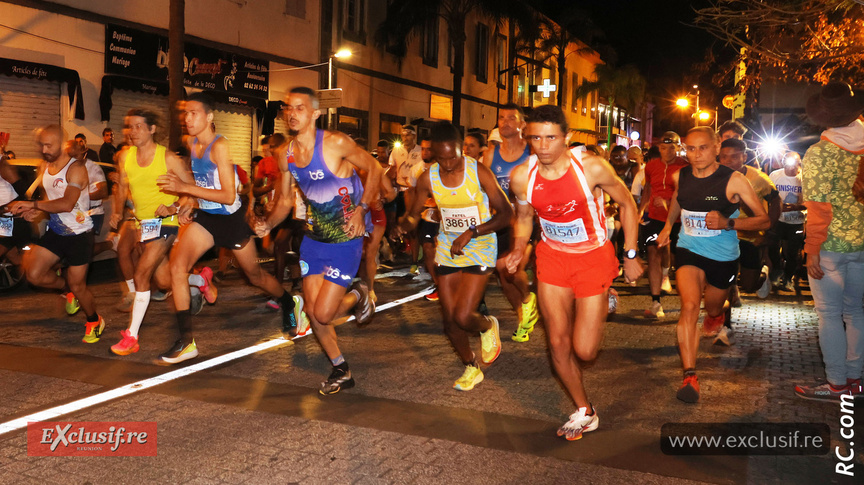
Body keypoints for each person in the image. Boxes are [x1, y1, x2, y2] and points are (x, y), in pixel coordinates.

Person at [507, 105, 644, 440]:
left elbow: (627, 204)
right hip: (552, 257)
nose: (542, 145)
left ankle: (604, 295)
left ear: (566, 138)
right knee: (557, 341)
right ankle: (585, 409)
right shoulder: (522, 177)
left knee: (585, 351)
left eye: (551, 137)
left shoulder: (592, 168)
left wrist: (629, 254)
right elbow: (524, 217)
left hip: (593, 258)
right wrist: (517, 248)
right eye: (535, 138)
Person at [154, 92, 305, 364]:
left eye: (193, 113)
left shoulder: (219, 145)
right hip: (207, 219)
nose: (187, 118)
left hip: (231, 219)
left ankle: (287, 302)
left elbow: (227, 195)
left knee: (255, 276)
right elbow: (199, 185)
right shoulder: (191, 143)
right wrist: (183, 204)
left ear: (209, 117)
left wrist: (185, 190)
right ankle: (186, 341)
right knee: (177, 266)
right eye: (185, 113)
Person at [257, 87, 382, 395]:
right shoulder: (285, 154)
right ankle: (341, 368)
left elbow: (375, 168)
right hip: (314, 240)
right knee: (313, 312)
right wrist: (267, 225)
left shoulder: (335, 143)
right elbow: (285, 200)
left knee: (326, 313)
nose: (292, 113)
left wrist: (361, 209)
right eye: (288, 108)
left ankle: (360, 293)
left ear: (315, 113)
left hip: (345, 239)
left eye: (299, 108)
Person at [657, 126, 769, 403]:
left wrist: (728, 222)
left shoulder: (733, 181)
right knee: (689, 306)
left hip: (722, 255)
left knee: (713, 305)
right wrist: (668, 227)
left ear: (716, 146)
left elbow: (764, 220)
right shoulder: (680, 175)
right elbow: (677, 201)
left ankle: (717, 315)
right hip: (689, 249)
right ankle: (690, 375)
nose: (696, 155)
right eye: (690, 149)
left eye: (703, 147)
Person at [399, 121, 512, 391]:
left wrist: (472, 231)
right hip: (449, 248)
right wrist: (403, 224)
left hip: (481, 245)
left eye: (453, 156)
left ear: (462, 149)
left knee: (463, 316)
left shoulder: (478, 172)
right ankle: (471, 367)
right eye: (442, 158)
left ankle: (487, 326)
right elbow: (414, 213)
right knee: (450, 322)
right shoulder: (429, 177)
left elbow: (506, 214)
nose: (448, 164)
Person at [794, 82, 864, 401]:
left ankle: (836, 384)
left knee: (829, 314)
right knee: (857, 313)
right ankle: (856, 381)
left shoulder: (821, 152)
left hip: (832, 246)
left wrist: (812, 250)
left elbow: (819, 209)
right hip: (862, 244)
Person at [108, 109, 197, 355]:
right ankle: (200, 279)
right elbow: (123, 187)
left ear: (152, 129)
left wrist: (174, 206)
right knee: (165, 280)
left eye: (138, 126)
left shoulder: (168, 159)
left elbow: (191, 189)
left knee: (141, 274)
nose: (132, 132)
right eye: (129, 127)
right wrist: (118, 211)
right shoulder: (125, 156)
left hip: (167, 221)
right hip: (143, 224)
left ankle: (132, 336)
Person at [9, 125, 105, 342]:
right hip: (57, 231)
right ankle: (67, 289)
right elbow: (50, 199)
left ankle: (94, 320)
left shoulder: (76, 169)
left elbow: (67, 203)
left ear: (62, 144)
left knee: (80, 286)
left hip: (80, 234)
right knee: (34, 275)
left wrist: (34, 204)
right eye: (42, 144)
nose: (44, 149)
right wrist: (34, 210)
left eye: (49, 145)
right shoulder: (46, 166)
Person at [481, 104, 539, 343]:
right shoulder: (490, 154)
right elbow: (483, 190)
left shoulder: (532, 152)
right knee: (503, 275)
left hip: (528, 220)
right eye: (501, 118)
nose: (505, 122)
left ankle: (528, 299)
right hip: (502, 221)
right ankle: (523, 318)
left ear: (522, 124)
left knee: (510, 268)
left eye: (511, 118)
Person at [718, 138, 780, 306]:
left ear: (744, 157)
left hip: (751, 236)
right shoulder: (715, 176)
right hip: (724, 235)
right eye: (724, 157)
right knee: (723, 280)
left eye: (734, 157)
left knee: (749, 285)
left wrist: (770, 229)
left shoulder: (759, 178)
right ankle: (724, 322)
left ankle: (763, 276)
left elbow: (775, 201)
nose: (728, 161)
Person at [638, 132, 688, 317]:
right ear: (659, 148)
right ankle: (655, 302)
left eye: (672, 147)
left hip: (679, 220)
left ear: (678, 147)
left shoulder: (686, 167)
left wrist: (667, 203)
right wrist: (641, 209)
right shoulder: (650, 166)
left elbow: (687, 195)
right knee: (652, 252)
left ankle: (685, 299)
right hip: (655, 217)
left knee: (680, 260)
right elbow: (648, 188)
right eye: (663, 147)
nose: (667, 151)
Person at [406, 138, 439, 299]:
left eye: (429, 149)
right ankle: (438, 283)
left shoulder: (441, 168)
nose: (425, 152)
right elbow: (411, 191)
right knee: (427, 248)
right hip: (426, 216)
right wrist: (410, 213)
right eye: (423, 149)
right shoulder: (416, 170)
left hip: (445, 217)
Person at [768, 152, 805, 292]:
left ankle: (788, 278)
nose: (789, 164)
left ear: (799, 162)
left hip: (797, 220)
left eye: (792, 161)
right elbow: (768, 195)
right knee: (773, 247)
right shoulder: (775, 175)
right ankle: (777, 271)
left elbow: (811, 201)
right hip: (778, 219)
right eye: (786, 160)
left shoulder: (804, 178)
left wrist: (796, 207)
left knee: (793, 253)